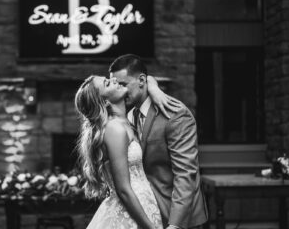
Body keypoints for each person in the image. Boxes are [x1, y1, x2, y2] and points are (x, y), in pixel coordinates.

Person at [109, 54, 208, 229]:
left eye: (123, 84)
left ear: (141, 80)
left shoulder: (175, 115)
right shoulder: (129, 115)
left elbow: (185, 175)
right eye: (116, 85)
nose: (121, 90)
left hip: (177, 217)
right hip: (148, 216)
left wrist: (175, 225)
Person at [75, 75, 174, 229]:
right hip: (130, 215)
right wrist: (149, 227)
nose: (114, 80)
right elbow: (123, 189)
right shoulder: (114, 129)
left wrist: (154, 88)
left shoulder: (126, 121)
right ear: (105, 101)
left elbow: (144, 77)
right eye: (108, 83)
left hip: (145, 205)